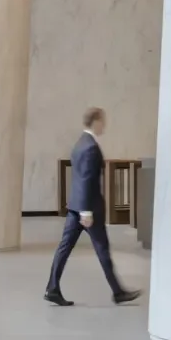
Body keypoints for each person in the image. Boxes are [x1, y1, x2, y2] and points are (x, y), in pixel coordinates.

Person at [44, 107, 140, 306]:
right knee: (102, 250)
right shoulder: (90, 147)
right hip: (88, 210)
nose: (104, 125)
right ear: (96, 121)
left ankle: (52, 288)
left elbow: (78, 178)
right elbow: (87, 179)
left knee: (64, 248)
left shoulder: (79, 144)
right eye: (103, 121)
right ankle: (118, 292)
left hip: (75, 206)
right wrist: (86, 211)